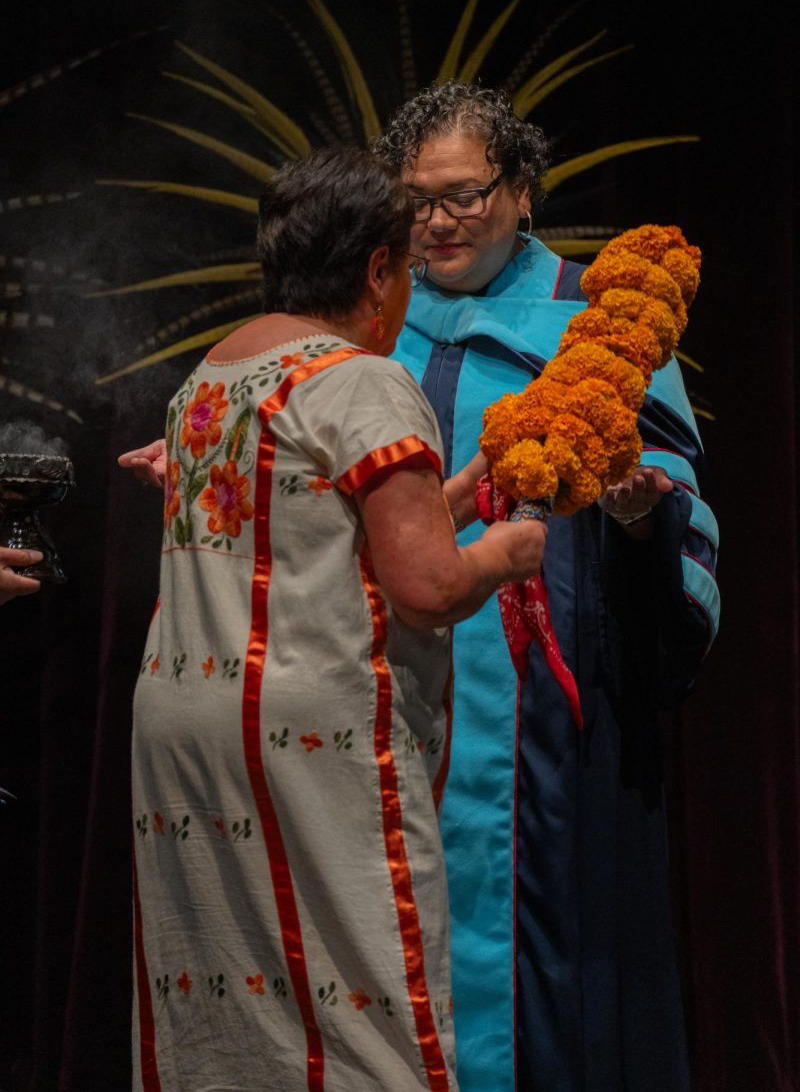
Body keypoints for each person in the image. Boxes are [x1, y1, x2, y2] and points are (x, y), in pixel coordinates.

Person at [122, 147, 547, 1091]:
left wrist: (464, 497)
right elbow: (429, 589)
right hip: (307, 737)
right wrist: (518, 551)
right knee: (365, 1010)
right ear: (377, 271)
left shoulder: (207, 379)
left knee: (236, 1000)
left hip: (188, 726)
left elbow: (313, 530)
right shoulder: (358, 378)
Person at [372, 82, 720, 1092]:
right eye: (414, 200)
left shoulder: (597, 326)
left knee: (563, 968)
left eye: (462, 195)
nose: (435, 222)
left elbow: (677, 507)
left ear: (522, 190)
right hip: (389, 697)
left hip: (552, 723)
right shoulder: (369, 323)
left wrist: (639, 510)